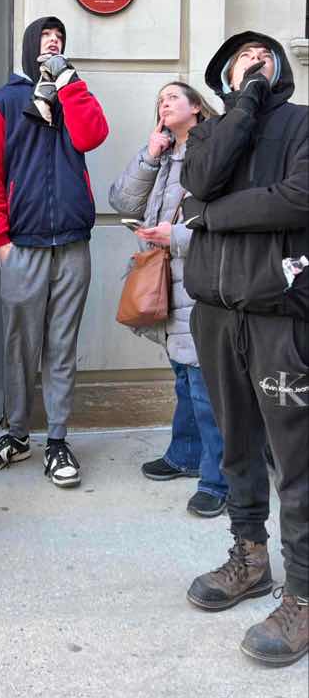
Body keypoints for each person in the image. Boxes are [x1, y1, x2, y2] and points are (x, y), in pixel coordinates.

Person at [181, 33, 308, 667]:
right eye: (240, 59)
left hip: (280, 318)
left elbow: (299, 197)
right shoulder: (208, 134)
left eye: (263, 56)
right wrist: (242, 108)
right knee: (234, 444)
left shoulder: (304, 125)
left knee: (298, 456)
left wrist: (213, 214)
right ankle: (249, 557)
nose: (253, 63)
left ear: (281, 67)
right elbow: (198, 181)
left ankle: (306, 595)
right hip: (214, 316)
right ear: (223, 75)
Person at [0, 16, 108, 487]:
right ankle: (15, 434)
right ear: (30, 46)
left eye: (60, 40)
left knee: (62, 346)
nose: (54, 44)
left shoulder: (75, 97)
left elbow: (92, 136)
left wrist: (70, 83)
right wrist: (2, 243)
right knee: (19, 346)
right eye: (47, 39)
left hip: (72, 243)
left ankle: (57, 440)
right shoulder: (6, 101)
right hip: (22, 246)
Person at [108, 82, 227, 517]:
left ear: (196, 106)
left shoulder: (212, 155)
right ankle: (185, 455)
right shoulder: (161, 155)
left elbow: (226, 219)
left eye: (173, 97)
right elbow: (121, 199)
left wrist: (173, 235)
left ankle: (220, 479)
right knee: (183, 375)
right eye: (160, 100)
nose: (165, 103)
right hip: (164, 278)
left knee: (205, 386)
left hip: (198, 278)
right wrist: (149, 154)